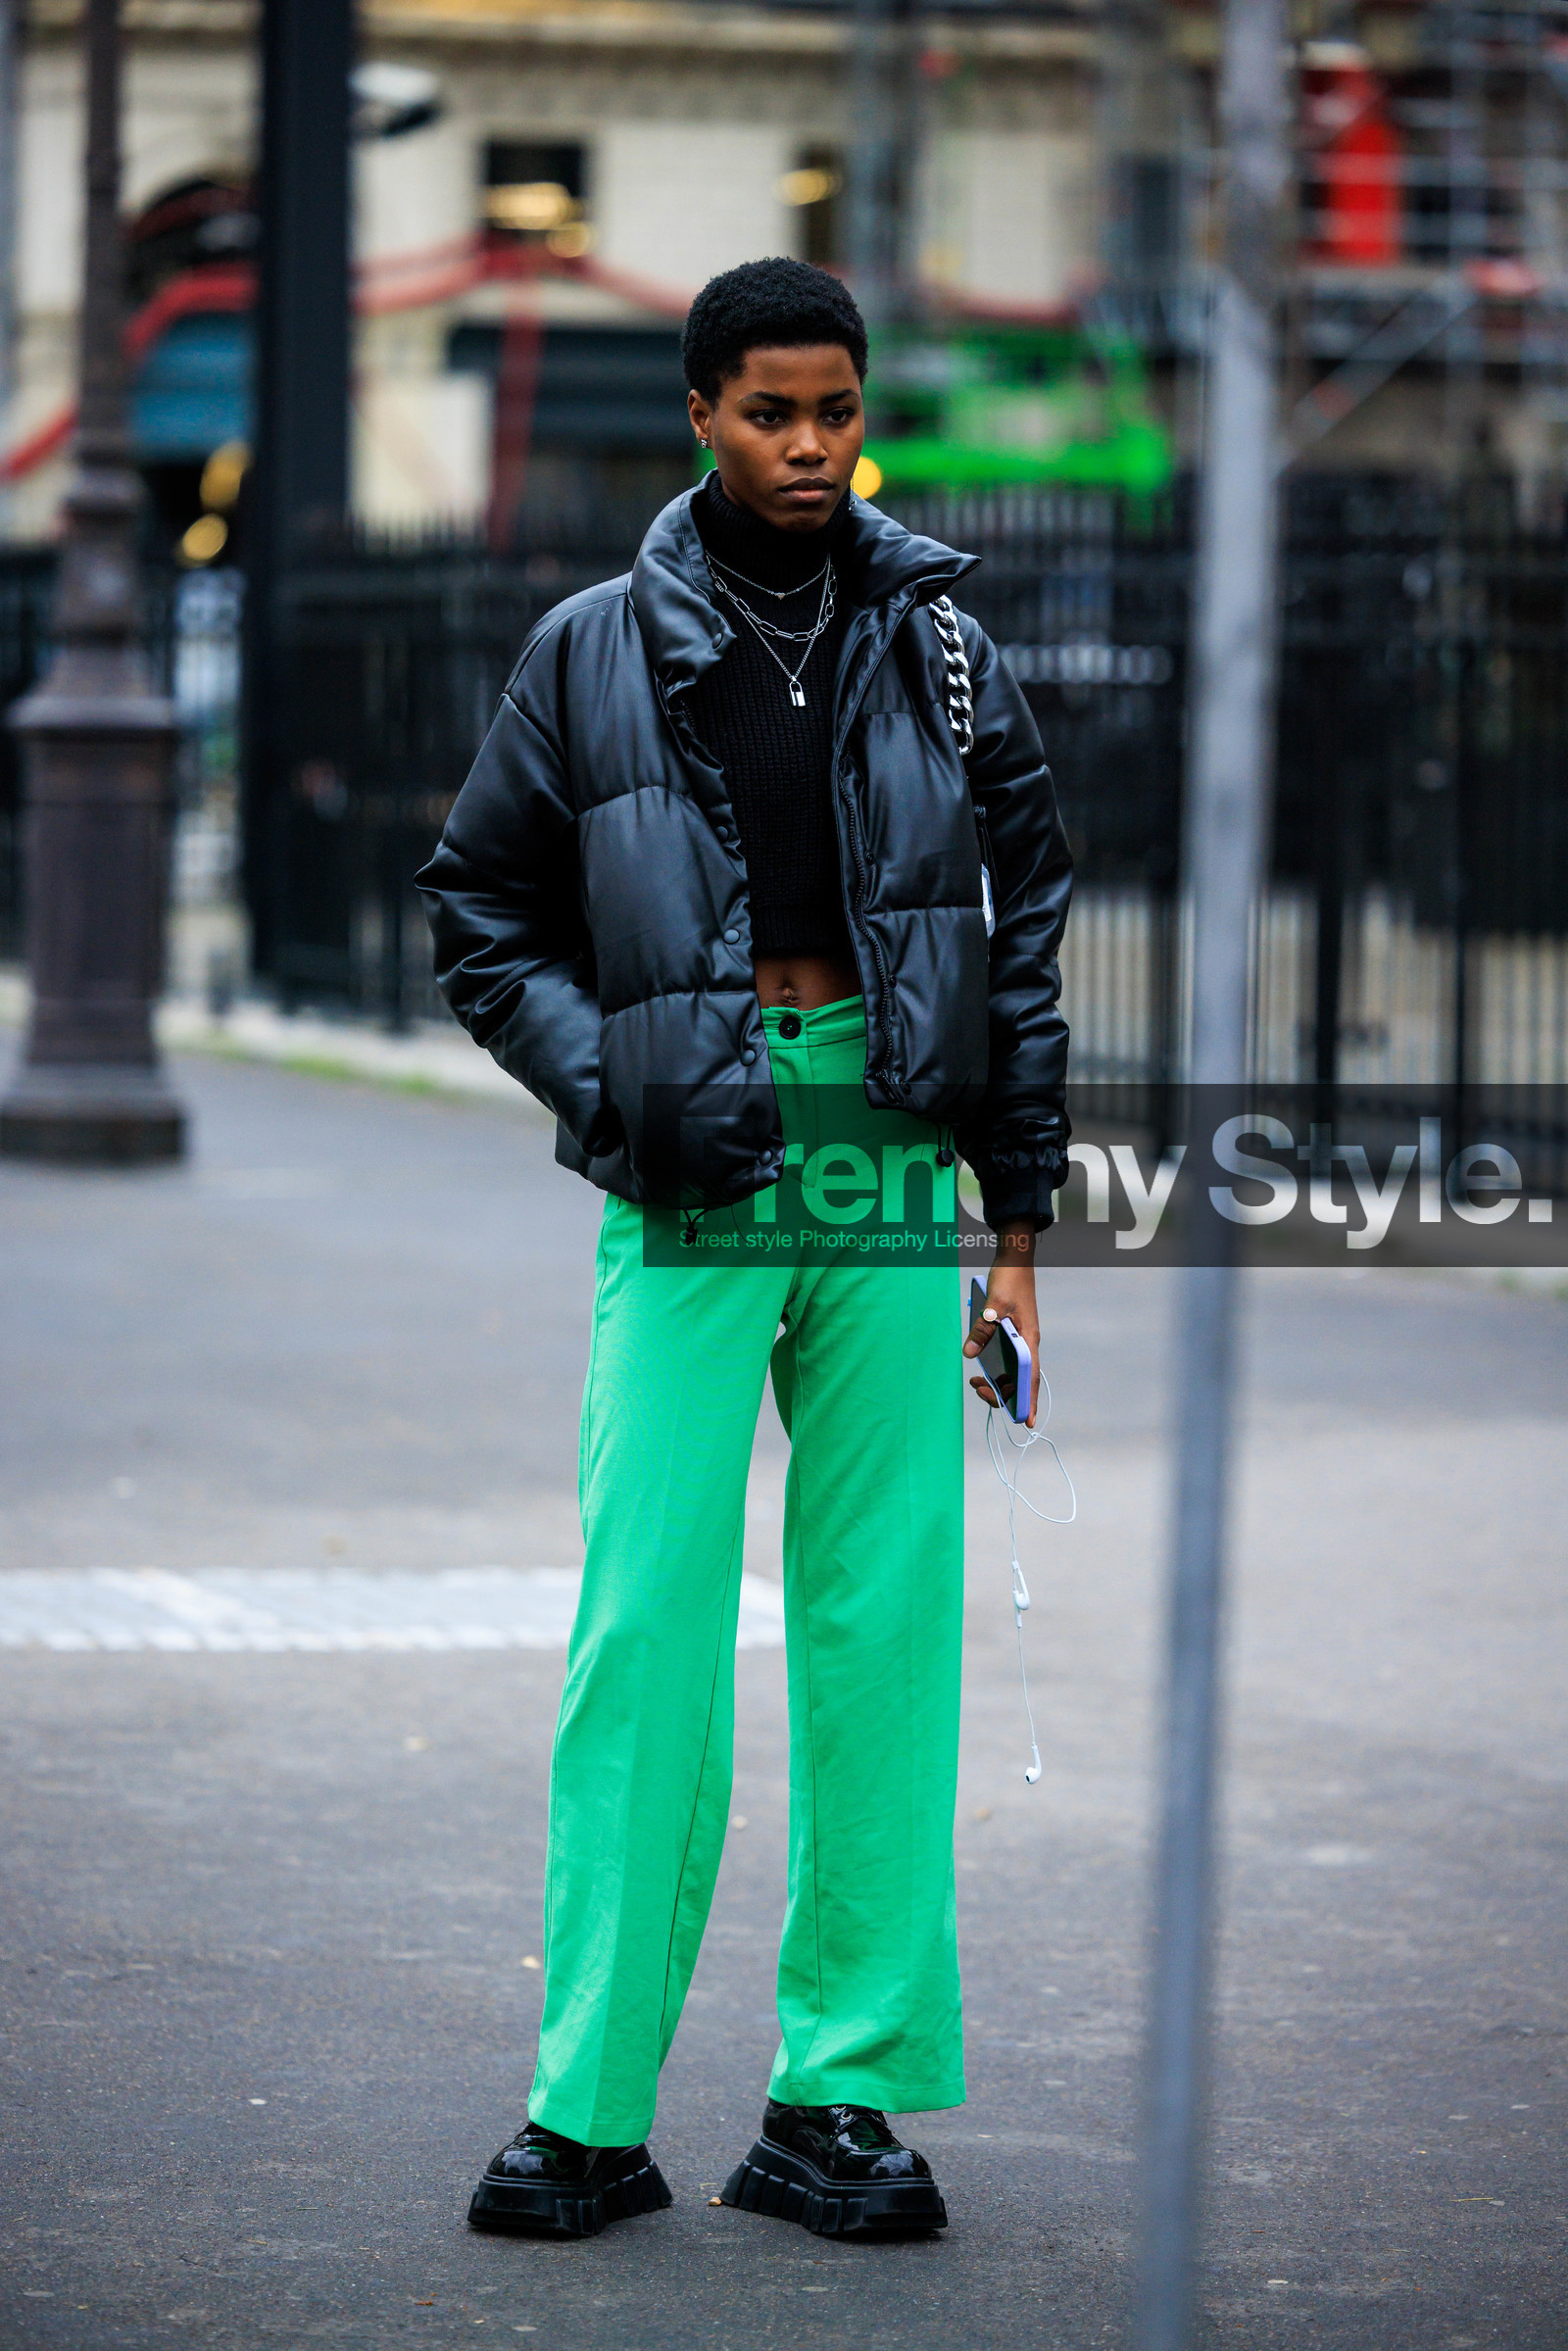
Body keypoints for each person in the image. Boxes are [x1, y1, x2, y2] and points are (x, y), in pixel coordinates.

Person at [416, 257, 1072, 2243]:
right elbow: (479, 910)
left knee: (884, 1631)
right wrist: (612, 1093)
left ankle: (839, 2098)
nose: (809, 447)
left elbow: (1020, 914)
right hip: (688, 1163)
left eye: (836, 411)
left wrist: (1014, 1225)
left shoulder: (941, 642)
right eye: (771, 412)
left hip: (883, 1156)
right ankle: (588, 2106)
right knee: (646, 1629)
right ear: (698, 412)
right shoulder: (591, 648)